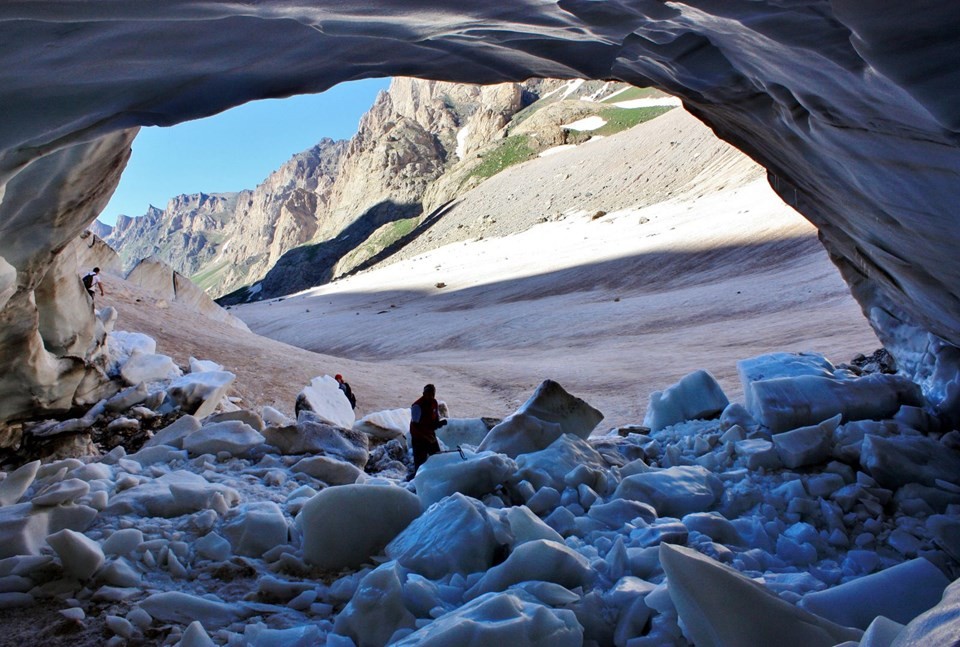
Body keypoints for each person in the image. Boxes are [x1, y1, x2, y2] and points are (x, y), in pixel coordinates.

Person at [409, 383, 446, 474]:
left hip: (429, 434)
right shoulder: (417, 406)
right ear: (423, 394)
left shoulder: (434, 403)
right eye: (428, 394)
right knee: (420, 463)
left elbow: (434, 421)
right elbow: (416, 426)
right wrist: (427, 437)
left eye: (432, 394)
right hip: (419, 437)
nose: (430, 396)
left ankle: (437, 475)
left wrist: (439, 423)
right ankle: (416, 481)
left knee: (437, 457)